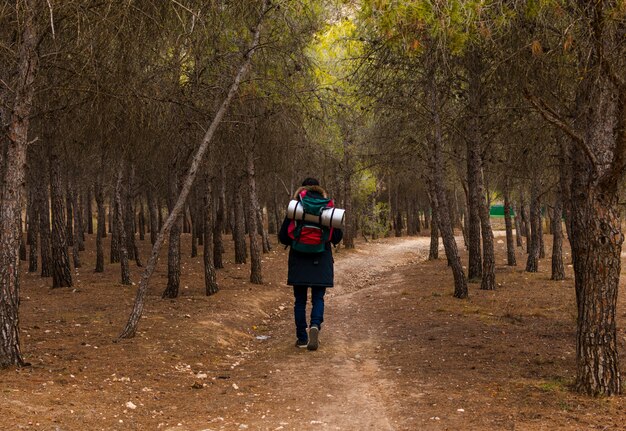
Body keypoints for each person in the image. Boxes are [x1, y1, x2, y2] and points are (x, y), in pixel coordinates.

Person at [279, 178, 343, 351]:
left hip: (299, 260)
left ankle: (301, 338)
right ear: (319, 189)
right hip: (321, 259)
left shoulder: (296, 208)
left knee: (299, 301)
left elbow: (283, 237)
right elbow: (336, 237)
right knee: (318, 298)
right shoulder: (327, 207)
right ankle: (315, 325)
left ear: (302, 189)